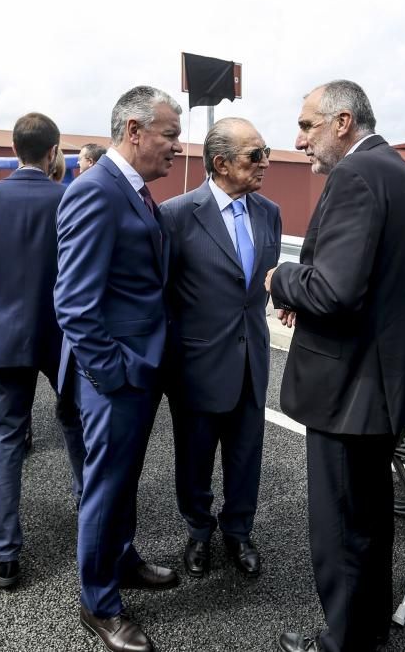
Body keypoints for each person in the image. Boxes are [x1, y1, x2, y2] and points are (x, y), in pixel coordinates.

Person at [266, 80, 405, 652]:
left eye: (307, 125)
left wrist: (281, 281)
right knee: (371, 518)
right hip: (384, 379)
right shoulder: (403, 173)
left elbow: (335, 290)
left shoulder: (355, 176)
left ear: (342, 123)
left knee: (340, 528)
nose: (299, 138)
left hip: (350, 387)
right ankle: (368, 630)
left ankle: (343, 641)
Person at [54, 86, 182, 652]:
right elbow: (74, 303)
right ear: (134, 131)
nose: (177, 148)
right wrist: (112, 374)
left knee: (122, 479)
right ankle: (99, 603)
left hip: (136, 368)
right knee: (104, 487)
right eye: (170, 135)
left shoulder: (131, 191)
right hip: (115, 377)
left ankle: (122, 559)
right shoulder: (96, 192)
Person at [0, 113, 85, 587]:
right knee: (77, 429)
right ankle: (91, 527)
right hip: (63, 335)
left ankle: (5, 552)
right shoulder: (71, 196)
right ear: (55, 151)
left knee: (6, 441)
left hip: (4, 332)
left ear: (15, 150)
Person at [160, 117, 281, 578]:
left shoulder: (268, 212)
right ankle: (198, 530)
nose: (265, 162)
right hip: (196, 363)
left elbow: (262, 283)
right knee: (194, 458)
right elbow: (163, 293)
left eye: (265, 150)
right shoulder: (176, 215)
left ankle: (239, 530)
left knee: (247, 453)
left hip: (252, 358)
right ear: (221, 163)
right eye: (256, 154)